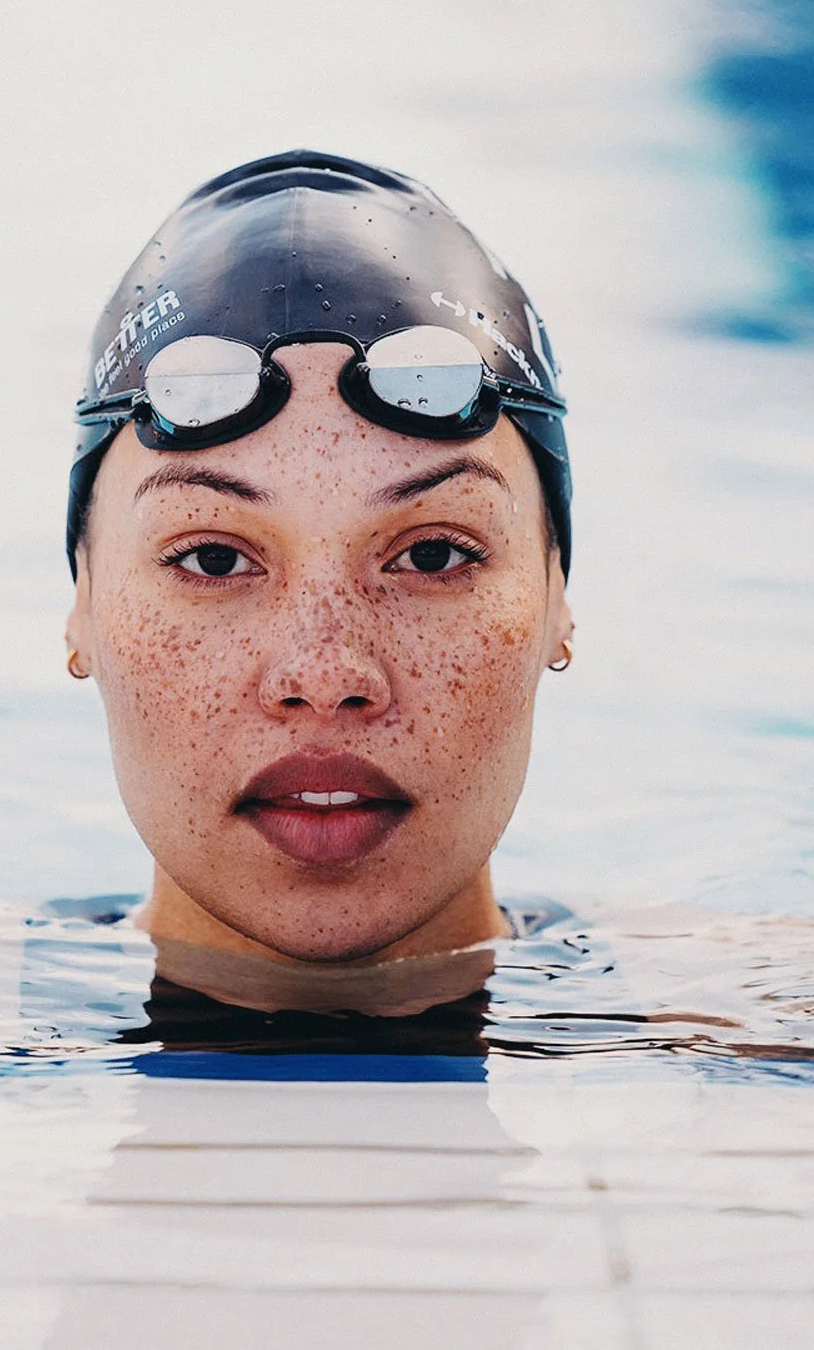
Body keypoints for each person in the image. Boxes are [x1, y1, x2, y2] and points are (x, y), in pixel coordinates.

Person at [62, 149, 577, 1011]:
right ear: (83, 605)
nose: (326, 674)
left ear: (557, 595)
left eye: (433, 554)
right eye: (214, 558)